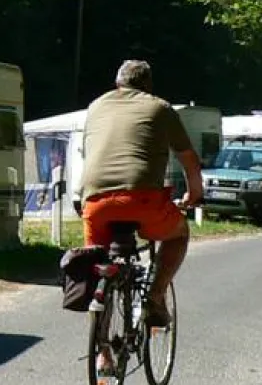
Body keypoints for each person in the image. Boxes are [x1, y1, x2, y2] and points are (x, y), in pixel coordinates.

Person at [78, 59, 204, 330]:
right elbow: (189, 159)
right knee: (179, 234)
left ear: (117, 84)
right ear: (148, 86)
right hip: (142, 200)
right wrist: (195, 194)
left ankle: (102, 347)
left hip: (95, 202)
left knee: (98, 264)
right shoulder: (160, 107)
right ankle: (154, 298)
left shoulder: (95, 106)